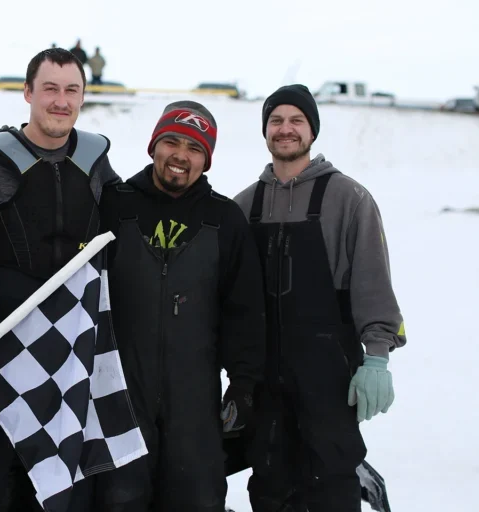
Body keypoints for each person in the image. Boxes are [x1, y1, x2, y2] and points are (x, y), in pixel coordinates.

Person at [0, 46, 120, 512]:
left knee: (61, 482)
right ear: (28, 92)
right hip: (3, 349)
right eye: (50, 89)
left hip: (72, 352)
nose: (60, 101)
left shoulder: (95, 159)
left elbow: (131, 223)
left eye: (72, 91)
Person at [233, 84, 406, 512]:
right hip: (264, 385)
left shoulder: (349, 199)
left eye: (296, 121)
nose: (285, 129)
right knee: (269, 486)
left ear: (312, 131)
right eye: (276, 120)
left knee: (329, 488)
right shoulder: (242, 207)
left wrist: (378, 357)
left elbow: (373, 283)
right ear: (265, 130)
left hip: (328, 382)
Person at [93, 101, 266, 511]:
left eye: (194, 148)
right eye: (171, 141)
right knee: (119, 501)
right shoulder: (114, 206)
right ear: (153, 146)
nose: (180, 156)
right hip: (120, 396)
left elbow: (245, 311)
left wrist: (242, 386)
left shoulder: (224, 219)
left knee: (196, 500)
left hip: (195, 403)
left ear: (205, 160)